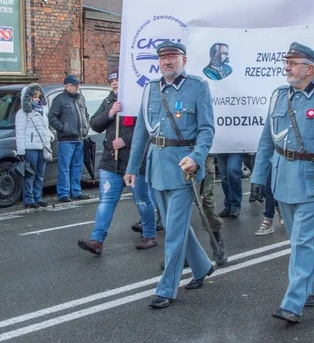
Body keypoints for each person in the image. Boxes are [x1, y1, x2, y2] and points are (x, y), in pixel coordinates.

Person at [249, 42, 314, 323]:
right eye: (287, 62)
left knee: (302, 242)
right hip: (283, 179)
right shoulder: (278, 96)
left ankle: (292, 303)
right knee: (303, 241)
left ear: (309, 68)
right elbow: (267, 140)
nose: (287, 67)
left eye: (293, 63)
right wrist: (259, 178)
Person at [124, 40, 215, 309]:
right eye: (163, 58)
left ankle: (167, 287)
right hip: (156, 167)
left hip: (183, 169)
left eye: (173, 57)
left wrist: (196, 158)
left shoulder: (198, 87)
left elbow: (207, 130)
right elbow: (142, 131)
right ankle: (201, 267)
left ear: (183, 61)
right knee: (178, 225)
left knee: (173, 231)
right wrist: (131, 168)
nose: (167, 62)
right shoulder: (150, 89)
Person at [77, 68, 158, 255]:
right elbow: (95, 124)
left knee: (142, 200)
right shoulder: (109, 101)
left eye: (118, 80)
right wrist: (110, 112)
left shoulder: (139, 100)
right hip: (110, 162)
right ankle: (97, 240)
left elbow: (148, 127)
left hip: (134, 161)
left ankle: (149, 235)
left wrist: (126, 140)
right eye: (111, 80)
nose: (114, 83)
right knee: (106, 201)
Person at [48, 75, 91, 202]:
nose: (78, 87)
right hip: (66, 139)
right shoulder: (59, 99)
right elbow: (52, 117)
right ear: (67, 86)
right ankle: (63, 193)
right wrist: (63, 128)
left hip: (79, 138)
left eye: (78, 85)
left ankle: (76, 191)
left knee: (77, 166)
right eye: (75, 85)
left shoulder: (80, 99)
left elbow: (86, 114)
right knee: (65, 167)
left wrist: (86, 126)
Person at [15, 83, 54, 208]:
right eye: (34, 97)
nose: (37, 99)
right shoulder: (22, 114)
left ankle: (38, 197)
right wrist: (21, 151)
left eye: (38, 96)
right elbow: (19, 133)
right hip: (30, 147)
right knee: (30, 174)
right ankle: (29, 199)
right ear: (28, 98)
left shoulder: (42, 111)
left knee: (40, 174)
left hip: (42, 147)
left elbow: (45, 129)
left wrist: (50, 137)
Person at [217, 153, 244, 218]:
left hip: (235, 149)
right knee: (224, 177)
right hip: (221, 150)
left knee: (233, 171)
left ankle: (235, 205)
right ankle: (228, 205)